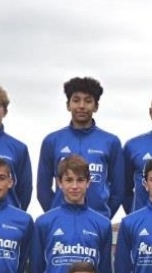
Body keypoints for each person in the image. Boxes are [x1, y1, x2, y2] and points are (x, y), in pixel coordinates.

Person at [37, 76, 124, 219]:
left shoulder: (111, 142)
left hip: (97, 222)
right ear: (68, 105)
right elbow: (43, 190)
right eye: (76, 100)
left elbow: (118, 191)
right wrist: (56, 215)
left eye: (88, 101)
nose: (82, 106)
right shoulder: (52, 141)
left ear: (96, 106)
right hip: (60, 221)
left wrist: (102, 218)